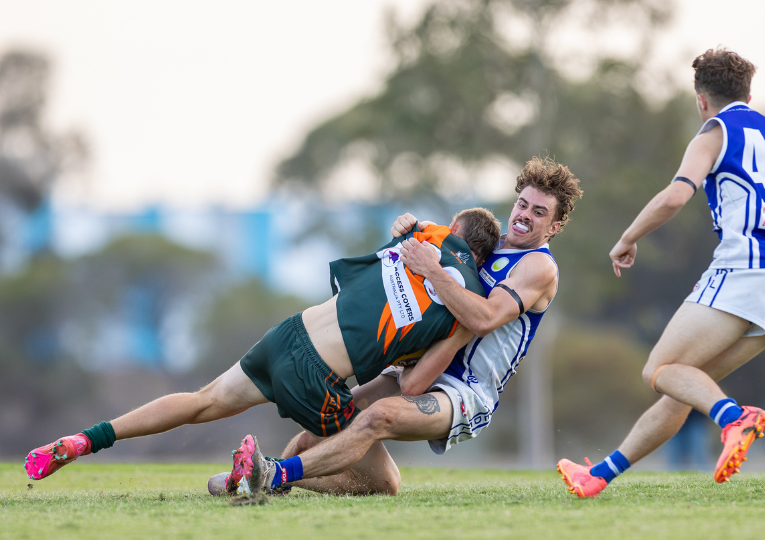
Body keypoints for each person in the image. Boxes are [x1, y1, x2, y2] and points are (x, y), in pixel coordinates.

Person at [24, 208, 500, 490]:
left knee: (202, 400)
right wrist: (460, 333)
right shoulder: (465, 302)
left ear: (453, 226)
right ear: (484, 258)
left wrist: (411, 227)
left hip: (289, 333)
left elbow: (391, 258)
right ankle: (262, 472)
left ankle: (85, 440)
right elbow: (413, 386)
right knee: (386, 481)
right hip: (319, 377)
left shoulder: (419, 233)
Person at [207, 156, 583, 496]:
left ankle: (273, 474)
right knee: (329, 427)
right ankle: (254, 481)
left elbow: (483, 319)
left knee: (378, 417)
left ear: (554, 226)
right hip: (415, 365)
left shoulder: (538, 266)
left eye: (539, 212)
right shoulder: (489, 245)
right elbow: (432, 247)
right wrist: (410, 227)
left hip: (464, 391)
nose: (525, 215)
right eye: (522, 204)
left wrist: (432, 269)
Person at [557, 48, 765, 498]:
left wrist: (627, 237)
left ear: (701, 99)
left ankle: (736, 419)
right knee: (685, 386)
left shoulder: (715, 130)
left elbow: (675, 196)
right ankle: (599, 476)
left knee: (660, 368)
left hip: (745, 269)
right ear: (749, 94)